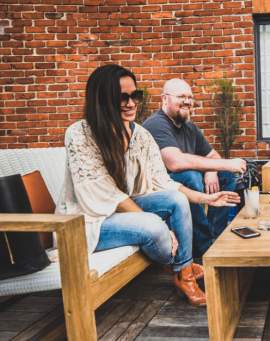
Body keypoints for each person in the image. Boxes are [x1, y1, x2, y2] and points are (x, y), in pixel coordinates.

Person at [56, 65, 240, 307]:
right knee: (154, 227)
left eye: (135, 96)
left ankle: (184, 274)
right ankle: (184, 266)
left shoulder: (140, 135)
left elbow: (163, 182)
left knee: (176, 200)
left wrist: (205, 199)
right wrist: (157, 226)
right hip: (89, 221)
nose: (131, 103)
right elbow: (104, 194)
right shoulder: (80, 134)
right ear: (102, 98)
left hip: (125, 212)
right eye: (122, 97)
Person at [143, 79, 246, 257]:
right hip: (160, 190)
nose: (188, 101)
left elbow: (213, 156)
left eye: (190, 97)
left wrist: (212, 171)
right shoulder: (156, 124)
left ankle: (215, 237)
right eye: (181, 96)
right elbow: (174, 162)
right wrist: (226, 163)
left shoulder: (189, 127)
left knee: (226, 177)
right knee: (191, 176)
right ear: (164, 99)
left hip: (188, 186)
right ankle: (202, 248)